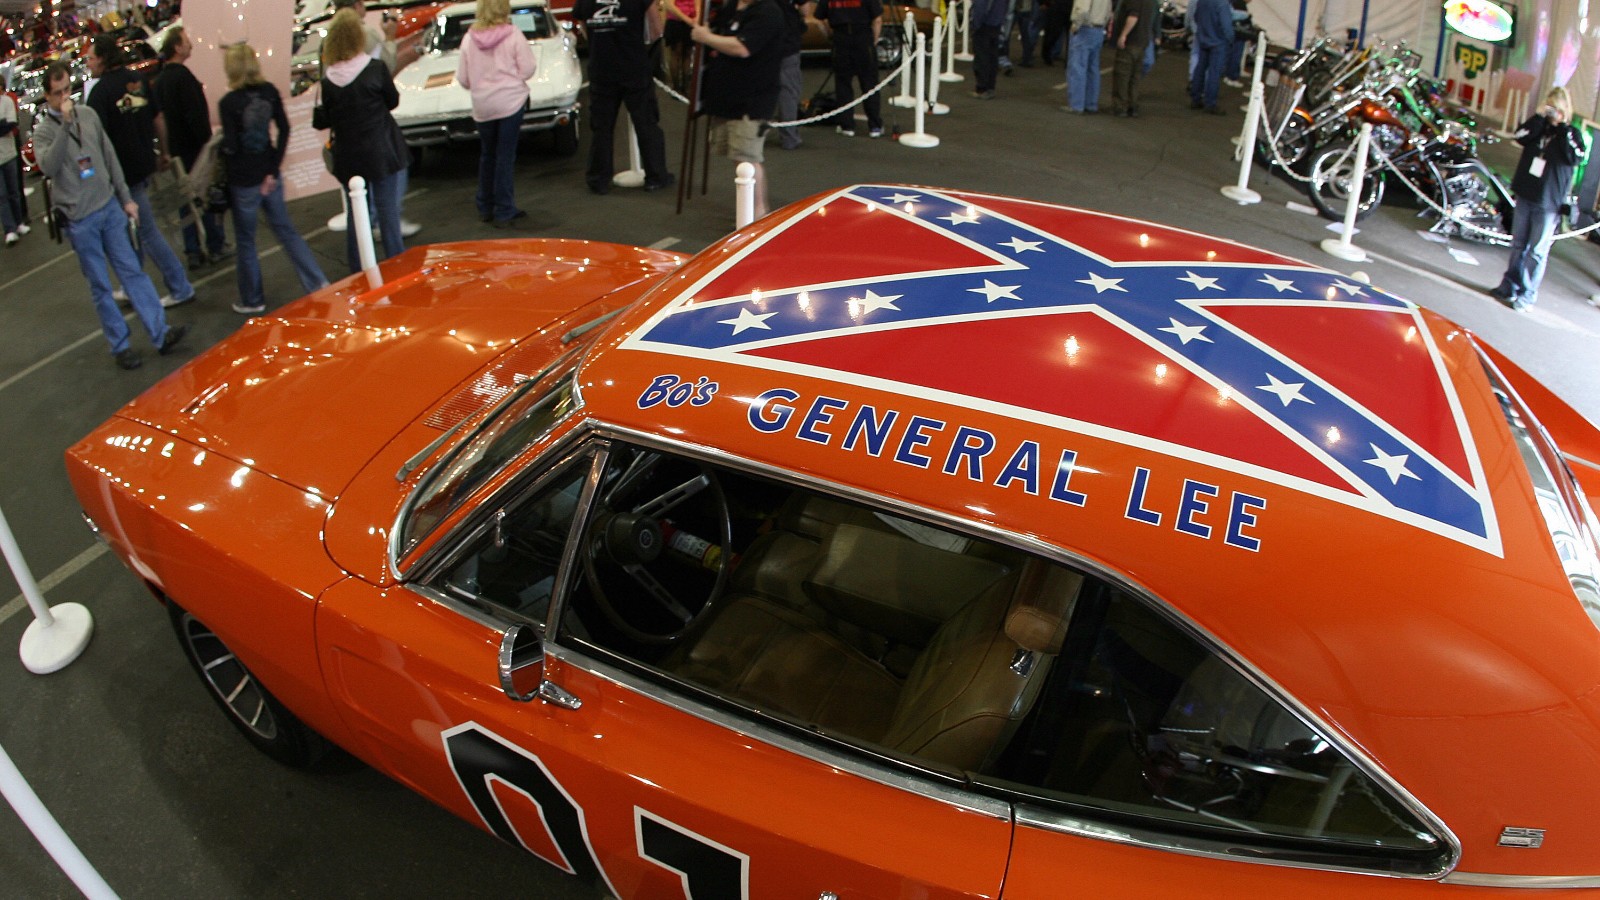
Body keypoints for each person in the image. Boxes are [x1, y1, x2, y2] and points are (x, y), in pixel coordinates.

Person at [34, 62, 185, 370]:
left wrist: (126, 199)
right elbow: (49, 167)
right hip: (80, 220)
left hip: (109, 208)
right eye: (57, 93)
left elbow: (110, 157)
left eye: (67, 90)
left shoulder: (88, 116)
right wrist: (64, 125)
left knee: (132, 271)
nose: (64, 97)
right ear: (47, 96)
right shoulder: (44, 133)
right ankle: (120, 346)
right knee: (101, 285)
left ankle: (160, 332)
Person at [84, 33, 197, 307]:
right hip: (145, 162)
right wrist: (164, 151)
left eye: (89, 58)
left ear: (101, 59)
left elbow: (91, 140)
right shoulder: (137, 81)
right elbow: (158, 118)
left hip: (123, 173)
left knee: (145, 231)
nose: (87, 64)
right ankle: (130, 283)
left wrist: (89, 177)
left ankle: (179, 286)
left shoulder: (99, 94)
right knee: (130, 231)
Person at [219, 43, 328, 315]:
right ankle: (317, 282)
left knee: (246, 240)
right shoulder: (269, 93)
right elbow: (285, 129)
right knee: (287, 231)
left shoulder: (228, 103)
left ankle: (252, 298)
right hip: (269, 172)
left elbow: (231, 145)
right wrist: (273, 170)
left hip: (244, 180)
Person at [318, 7, 410, 272]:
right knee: (387, 215)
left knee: (357, 216)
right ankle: (397, 267)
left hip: (348, 155)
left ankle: (358, 270)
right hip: (381, 150)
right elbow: (392, 101)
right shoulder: (375, 69)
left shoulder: (329, 80)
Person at [1491, 87, 1586, 312]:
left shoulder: (1570, 134)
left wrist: (1562, 129)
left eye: (1557, 109)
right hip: (1526, 194)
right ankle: (1509, 285)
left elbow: (1577, 157)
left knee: (1537, 251)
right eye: (1550, 107)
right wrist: (1539, 117)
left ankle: (1527, 294)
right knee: (1518, 244)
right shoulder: (1538, 127)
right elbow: (1519, 136)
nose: (1553, 113)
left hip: (1549, 202)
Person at [690, 0, 784, 218]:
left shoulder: (767, 11)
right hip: (727, 98)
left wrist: (706, 38)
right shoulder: (731, 9)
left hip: (752, 100)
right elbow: (718, 33)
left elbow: (743, 47)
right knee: (739, 157)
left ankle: (758, 215)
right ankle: (750, 212)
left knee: (748, 159)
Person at [574, 0, 674, 194]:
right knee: (646, 123)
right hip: (633, 65)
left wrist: (602, 40)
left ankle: (599, 180)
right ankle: (656, 176)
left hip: (601, 67)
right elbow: (655, 29)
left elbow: (584, 30)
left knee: (601, 127)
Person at [154, 25, 229, 269]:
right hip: (195, 150)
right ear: (177, 47)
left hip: (176, 151)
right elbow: (195, 116)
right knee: (205, 197)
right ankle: (216, 245)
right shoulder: (183, 78)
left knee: (185, 203)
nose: (191, 44)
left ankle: (193, 251)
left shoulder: (162, 79)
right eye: (186, 41)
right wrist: (209, 143)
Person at [456, 0, 536, 222]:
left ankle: (485, 205)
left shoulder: (469, 39)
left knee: (488, 154)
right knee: (505, 156)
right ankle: (504, 208)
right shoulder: (514, 35)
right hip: (510, 102)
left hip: (483, 105)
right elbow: (528, 69)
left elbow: (463, 79)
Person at [816, 0, 882, 137]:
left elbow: (819, 20)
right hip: (863, 39)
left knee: (843, 85)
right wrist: (873, 41)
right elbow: (877, 20)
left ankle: (847, 126)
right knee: (869, 84)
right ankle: (875, 126)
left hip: (840, 39)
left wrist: (830, 35)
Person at [772, 0, 813, 150]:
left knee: (760, 90)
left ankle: (754, 135)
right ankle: (789, 137)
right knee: (788, 92)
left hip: (761, 43)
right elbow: (805, 10)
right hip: (787, 43)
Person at [1063, 0, 1110, 114]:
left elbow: (1082, 9)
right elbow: (1108, 11)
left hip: (1085, 29)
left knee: (1077, 68)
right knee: (1093, 69)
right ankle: (1091, 104)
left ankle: (1076, 105)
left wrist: (1076, 25)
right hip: (1098, 29)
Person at [1108, 0, 1153, 117]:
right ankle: (1132, 105)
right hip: (1142, 42)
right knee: (1135, 77)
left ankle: (1120, 106)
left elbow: (1133, 16)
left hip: (1130, 42)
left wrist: (1123, 35)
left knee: (1122, 75)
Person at [332, 0, 399, 73]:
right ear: (357, 5)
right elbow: (388, 66)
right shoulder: (365, 33)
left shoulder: (329, 38)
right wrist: (389, 36)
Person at [1187, 0, 1230, 114]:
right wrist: (1230, 38)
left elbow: (1196, 17)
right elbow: (1226, 25)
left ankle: (1195, 98)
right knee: (1214, 73)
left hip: (1203, 38)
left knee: (1200, 69)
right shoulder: (1222, 4)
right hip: (1218, 42)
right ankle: (1210, 102)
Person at [1, 77, 28, 245]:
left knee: (14, 191)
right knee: (1, 196)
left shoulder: (7, 102)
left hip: (9, 154)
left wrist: (4, 126)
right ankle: (9, 229)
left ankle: (19, 223)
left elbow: (10, 125)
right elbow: (5, 126)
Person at [968, 0, 1006, 100]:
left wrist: (975, 24)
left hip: (984, 25)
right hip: (996, 23)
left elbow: (980, 6)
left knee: (982, 57)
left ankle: (982, 88)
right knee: (992, 57)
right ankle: (990, 87)